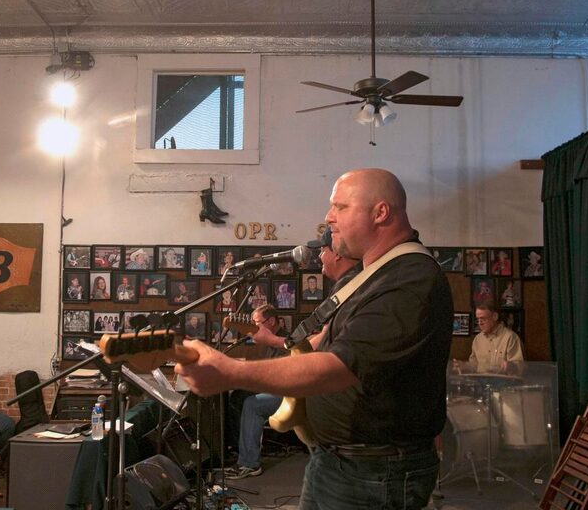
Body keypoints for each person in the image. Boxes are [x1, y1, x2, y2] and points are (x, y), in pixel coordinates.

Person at [176, 168, 454, 509]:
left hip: (376, 471)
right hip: (341, 462)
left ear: (380, 213)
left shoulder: (410, 279)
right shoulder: (369, 277)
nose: (328, 217)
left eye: (340, 207)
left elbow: (337, 367)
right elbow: (324, 343)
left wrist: (230, 372)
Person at [224, 304, 288, 480]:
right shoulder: (270, 342)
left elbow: (279, 378)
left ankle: (249, 464)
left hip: (290, 394)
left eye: (257, 324)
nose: (254, 329)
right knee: (237, 396)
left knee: (252, 405)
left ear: (272, 321)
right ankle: (240, 450)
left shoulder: (287, 341)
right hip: (275, 388)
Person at [454, 301, 524, 375]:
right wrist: (464, 366)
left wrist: (511, 366)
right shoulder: (478, 339)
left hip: (504, 384)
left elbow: (520, 368)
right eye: (478, 319)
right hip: (482, 384)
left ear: (495, 316)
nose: (479, 323)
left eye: (483, 319)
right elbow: (474, 366)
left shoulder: (510, 337)